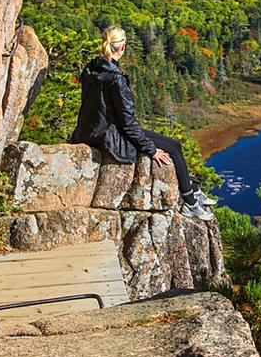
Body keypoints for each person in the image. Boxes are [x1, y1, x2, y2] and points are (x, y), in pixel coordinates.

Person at [71, 26, 215, 220]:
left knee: (173, 145)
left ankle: (191, 189)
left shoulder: (91, 68)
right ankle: (190, 202)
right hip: (109, 135)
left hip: (90, 130)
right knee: (173, 148)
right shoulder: (116, 79)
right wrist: (151, 150)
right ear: (122, 47)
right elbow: (128, 124)